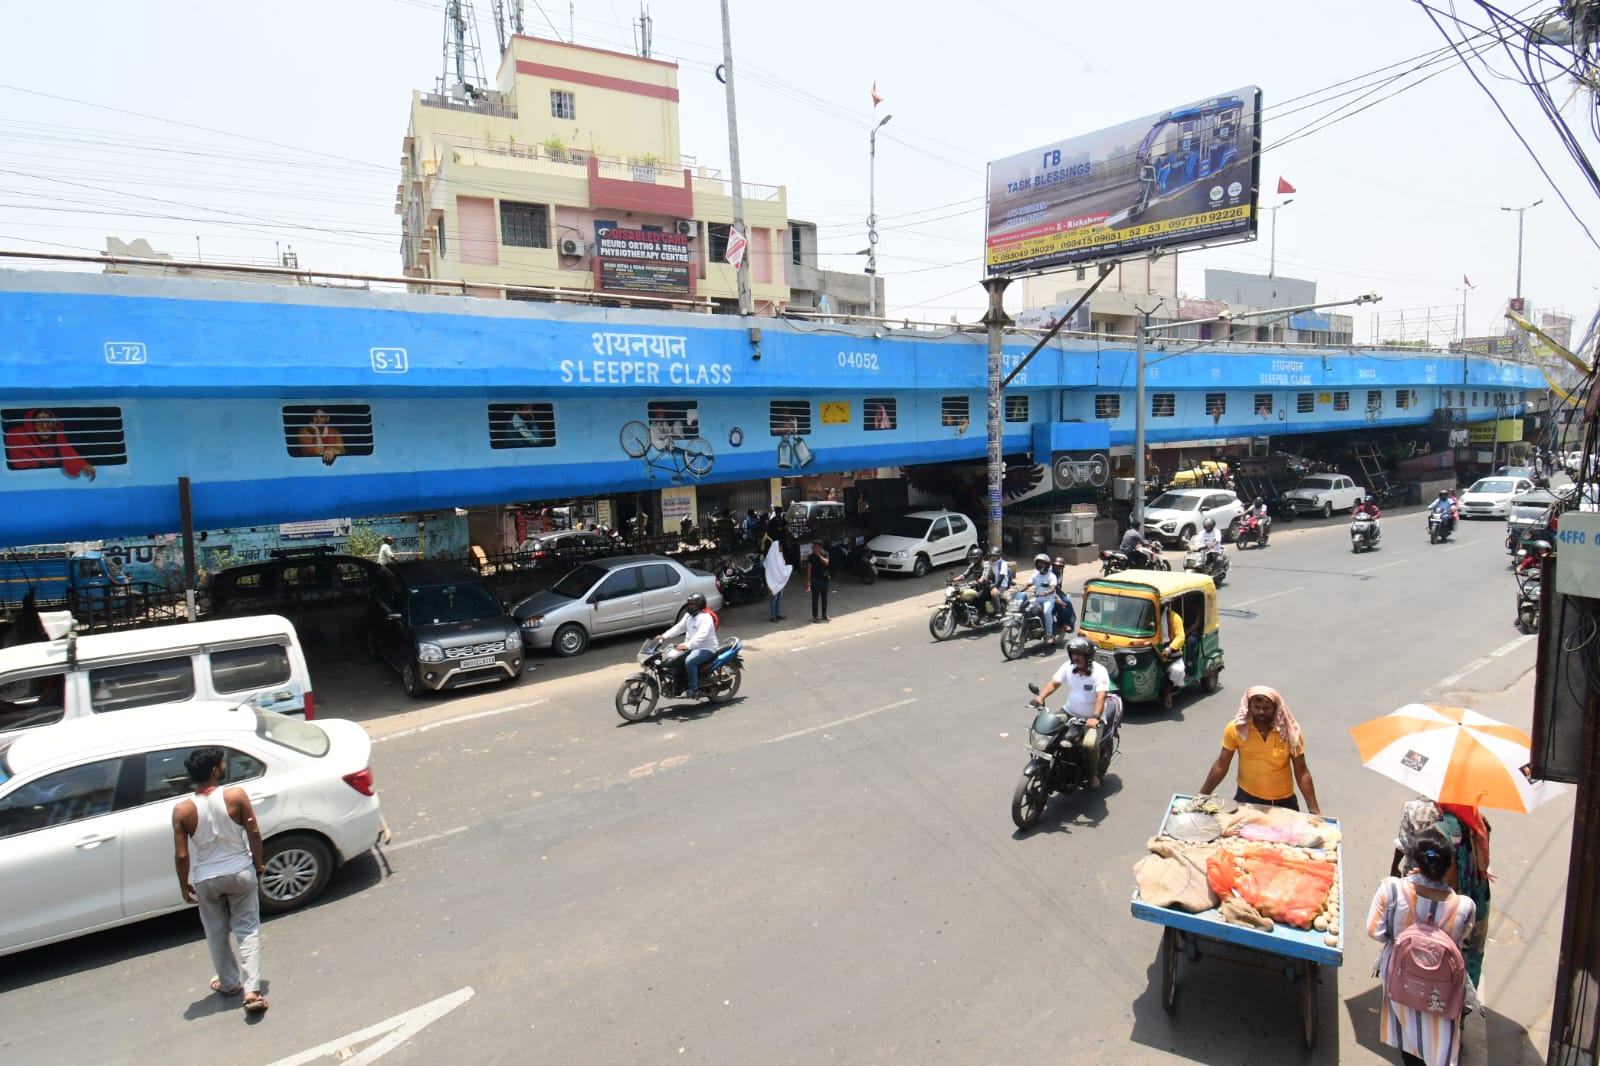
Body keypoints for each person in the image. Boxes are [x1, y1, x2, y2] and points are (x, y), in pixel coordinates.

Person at [1368, 827, 1478, 1066]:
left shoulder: (1392, 889)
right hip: (1442, 989)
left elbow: (1375, 931)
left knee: (1409, 1038)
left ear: (1415, 860)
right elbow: (1462, 938)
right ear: (1449, 866)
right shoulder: (1464, 906)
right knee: (1437, 1042)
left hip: (1401, 978)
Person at [171, 746, 268, 1013]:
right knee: (247, 930)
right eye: (222, 764)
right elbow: (255, 833)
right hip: (239, 872)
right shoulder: (235, 796)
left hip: (206, 879)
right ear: (215, 770)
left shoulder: (182, 810)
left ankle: (228, 983)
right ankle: (252, 991)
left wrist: (184, 884)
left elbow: (181, 855)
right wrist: (258, 864)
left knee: (216, 933)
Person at [1197, 685, 1322, 813]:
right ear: (1249, 707)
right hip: (1246, 798)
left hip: (1283, 801)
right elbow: (1221, 764)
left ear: (1275, 708)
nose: (1261, 712)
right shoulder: (1236, 729)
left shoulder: (1291, 734)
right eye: (1257, 708)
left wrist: (1314, 809)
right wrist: (1202, 796)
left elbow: (1302, 772)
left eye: (1267, 708)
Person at [1030, 636, 1111, 789]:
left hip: (1092, 717)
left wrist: (1094, 717)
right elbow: (1054, 683)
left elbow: (1101, 696)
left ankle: (1092, 774)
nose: (1075, 657)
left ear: (1088, 656)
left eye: (1079, 654)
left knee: (1089, 744)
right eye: (1073, 653)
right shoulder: (1068, 666)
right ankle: (1049, 764)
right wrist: (1040, 697)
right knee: (1048, 730)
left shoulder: (1100, 672)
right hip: (1069, 712)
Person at [3, 408, 96, 480]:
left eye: (48, 422)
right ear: (31, 425)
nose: (45, 427)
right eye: (38, 423)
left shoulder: (56, 438)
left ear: (54, 424)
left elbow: (67, 450)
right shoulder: (16, 437)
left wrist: (81, 465)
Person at [657, 592, 719, 696]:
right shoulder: (688, 616)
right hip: (691, 647)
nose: (690, 606)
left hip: (706, 648)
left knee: (690, 661)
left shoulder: (706, 618)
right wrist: (664, 636)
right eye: (689, 604)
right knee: (672, 658)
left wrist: (687, 645)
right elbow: (678, 628)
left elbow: (701, 636)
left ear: (700, 605)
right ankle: (679, 685)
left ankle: (693, 688)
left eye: (693, 604)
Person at [1013, 553, 1060, 644]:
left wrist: (1047, 592)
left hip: (1048, 599)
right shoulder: (1035, 575)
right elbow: (1027, 585)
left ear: (1047, 565)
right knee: (1025, 607)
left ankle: (1049, 634)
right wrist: (1018, 591)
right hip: (1037, 598)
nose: (1040, 565)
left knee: (1046, 612)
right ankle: (1028, 627)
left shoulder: (1051, 576)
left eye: (1042, 563)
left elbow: (1052, 587)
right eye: (1038, 563)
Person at [1159, 602, 1187, 708]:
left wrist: (1169, 649)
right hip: (1152, 650)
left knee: (1178, 671)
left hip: (1170, 653)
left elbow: (1180, 637)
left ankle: (1167, 692)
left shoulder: (1174, 617)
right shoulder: (1148, 615)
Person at [764, 535, 793, 623]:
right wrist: (768, 584)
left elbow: (782, 567)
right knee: (773, 599)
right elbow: (768, 572)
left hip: (780, 581)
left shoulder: (780, 556)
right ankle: (773, 616)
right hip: (773, 582)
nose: (781, 548)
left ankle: (777, 613)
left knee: (779, 598)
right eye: (780, 546)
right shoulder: (770, 559)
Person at [806, 539, 831, 623]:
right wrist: (808, 581)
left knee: (824, 598)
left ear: (820, 547)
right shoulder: (811, 556)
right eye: (813, 547)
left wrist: (819, 556)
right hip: (815, 580)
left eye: (815, 547)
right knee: (815, 599)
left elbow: (827, 563)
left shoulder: (825, 553)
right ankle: (815, 617)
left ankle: (824, 615)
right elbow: (809, 569)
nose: (813, 548)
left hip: (824, 579)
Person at [1050, 556, 1076, 634]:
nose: (1058, 567)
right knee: (1061, 603)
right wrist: (1058, 598)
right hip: (1049, 593)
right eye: (1056, 565)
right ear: (1053, 565)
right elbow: (1051, 588)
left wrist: (1061, 591)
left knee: (1067, 602)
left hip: (1056, 592)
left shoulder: (1060, 573)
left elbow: (1057, 585)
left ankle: (1065, 623)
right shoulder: (1051, 575)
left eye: (1060, 566)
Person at [984, 546, 1012, 614]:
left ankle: (998, 611)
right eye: (991, 556)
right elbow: (987, 574)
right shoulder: (989, 563)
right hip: (993, 583)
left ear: (999, 556)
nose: (993, 557)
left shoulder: (1003, 564)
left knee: (994, 594)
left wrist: (995, 587)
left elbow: (1001, 577)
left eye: (995, 556)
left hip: (1002, 584)